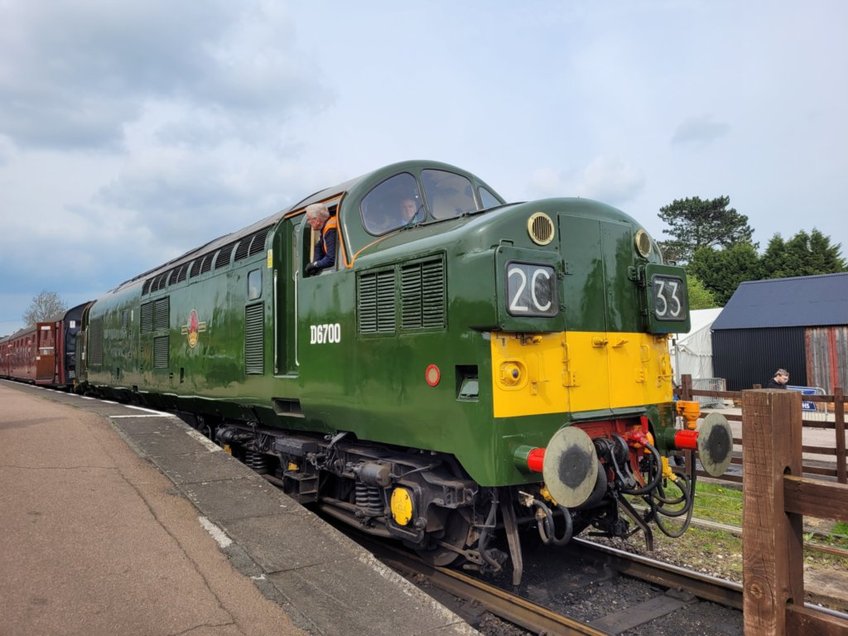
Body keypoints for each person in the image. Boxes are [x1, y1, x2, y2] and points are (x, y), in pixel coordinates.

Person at [304, 203, 337, 276]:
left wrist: (315, 265)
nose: (309, 223)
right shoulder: (325, 229)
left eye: (309, 219)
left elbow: (331, 259)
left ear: (317, 219)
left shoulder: (331, 230)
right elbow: (319, 246)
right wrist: (316, 263)